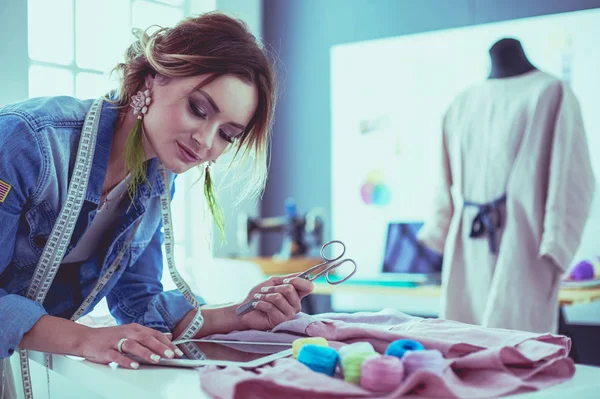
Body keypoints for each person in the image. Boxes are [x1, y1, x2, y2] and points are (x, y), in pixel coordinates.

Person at [0, 11, 314, 371]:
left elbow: (138, 303)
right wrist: (83, 339)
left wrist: (239, 315)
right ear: (154, 77)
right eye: (198, 109)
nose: (205, 141)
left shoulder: (156, 180)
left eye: (228, 134)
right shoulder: (26, 141)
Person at [417, 38, 594, 334]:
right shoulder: (461, 102)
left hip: (525, 246)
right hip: (469, 248)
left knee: (522, 343)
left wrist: (555, 244)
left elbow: (571, 176)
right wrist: (441, 231)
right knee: (465, 342)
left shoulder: (550, 93)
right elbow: (443, 178)